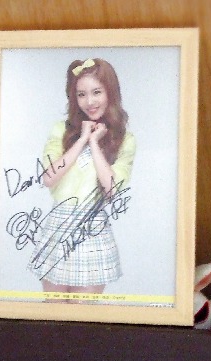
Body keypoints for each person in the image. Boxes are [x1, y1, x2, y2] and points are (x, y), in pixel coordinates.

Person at [27, 58, 136, 303]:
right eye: (81, 94)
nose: (90, 101)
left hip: (92, 231)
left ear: (110, 93)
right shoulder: (60, 130)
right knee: (53, 310)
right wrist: (82, 140)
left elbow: (112, 190)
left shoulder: (124, 140)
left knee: (82, 314)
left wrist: (95, 144)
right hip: (57, 227)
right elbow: (48, 178)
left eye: (97, 92)